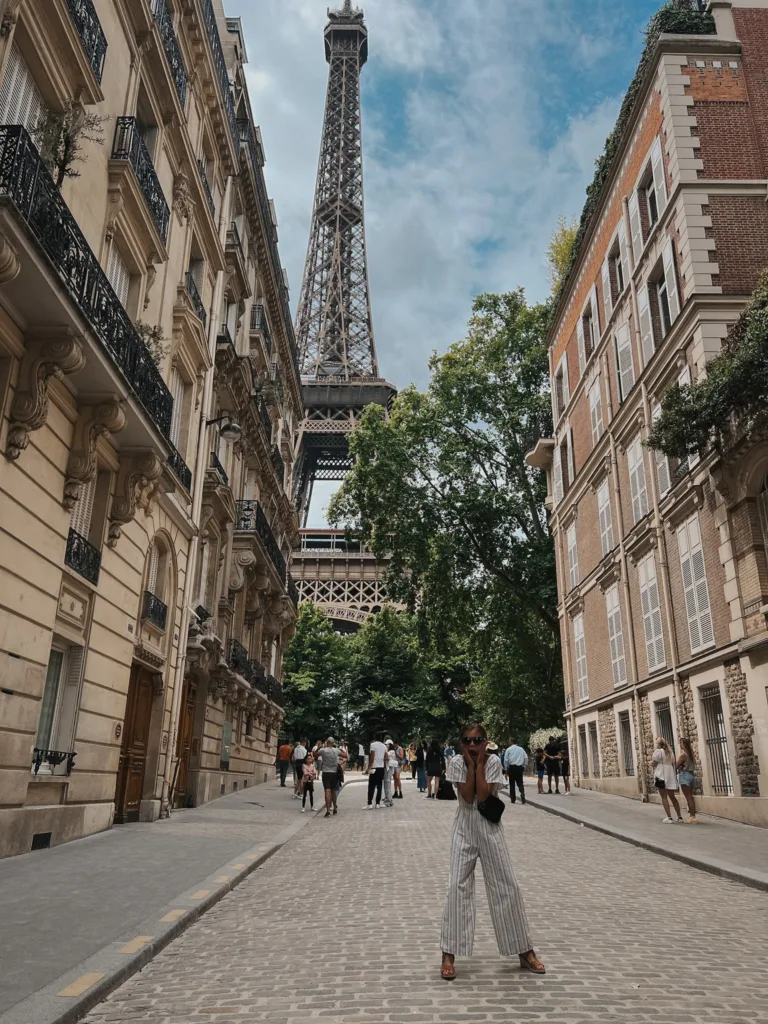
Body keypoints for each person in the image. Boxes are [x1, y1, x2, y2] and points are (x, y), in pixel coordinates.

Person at [440, 722, 545, 981]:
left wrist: (478, 766)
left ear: (486, 741)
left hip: (489, 826)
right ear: (461, 743)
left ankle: (524, 950)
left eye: (477, 740)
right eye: (467, 741)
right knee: (456, 886)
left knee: (507, 885)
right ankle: (448, 953)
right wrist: (470, 765)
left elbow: (484, 796)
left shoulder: (495, 762)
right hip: (464, 826)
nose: (473, 745)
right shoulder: (455, 762)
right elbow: (466, 797)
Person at [652, 737, 683, 823]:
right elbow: (673, 762)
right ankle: (679, 816)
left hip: (660, 775)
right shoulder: (670, 752)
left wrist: (652, 763)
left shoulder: (658, 752)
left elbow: (654, 763)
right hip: (670, 775)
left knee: (664, 797)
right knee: (672, 796)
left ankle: (669, 817)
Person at [316, 737, 342, 817]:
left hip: (326, 772)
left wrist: (320, 747)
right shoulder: (336, 750)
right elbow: (345, 755)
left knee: (327, 791)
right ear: (333, 743)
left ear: (327, 742)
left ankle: (327, 810)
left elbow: (314, 754)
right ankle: (335, 808)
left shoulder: (323, 750)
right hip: (334, 773)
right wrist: (340, 749)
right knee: (333, 791)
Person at [676, 737, 698, 823]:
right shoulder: (691, 753)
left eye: (681, 743)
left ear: (683, 744)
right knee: (691, 797)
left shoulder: (683, 755)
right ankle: (693, 815)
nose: (680, 745)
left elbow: (676, 766)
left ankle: (692, 817)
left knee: (688, 797)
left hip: (684, 775)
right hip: (691, 774)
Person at [364, 736, 388, 809]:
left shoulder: (373, 745)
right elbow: (386, 757)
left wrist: (368, 768)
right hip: (381, 768)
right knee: (379, 786)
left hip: (374, 768)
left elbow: (372, 757)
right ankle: (377, 803)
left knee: (371, 786)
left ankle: (369, 803)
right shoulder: (384, 746)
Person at [503, 738, 527, 805]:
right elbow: (526, 757)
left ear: (511, 742)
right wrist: (524, 766)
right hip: (519, 767)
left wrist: (506, 769)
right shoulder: (521, 749)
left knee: (512, 783)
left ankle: (513, 798)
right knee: (520, 782)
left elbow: (506, 760)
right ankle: (522, 793)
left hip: (512, 767)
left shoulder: (509, 749)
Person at [382, 739, 397, 807]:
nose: (385, 746)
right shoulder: (390, 751)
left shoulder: (392, 751)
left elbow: (385, 755)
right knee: (386, 785)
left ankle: (389, 800)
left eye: (387, 745)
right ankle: (388, 798)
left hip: (389, 770)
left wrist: (386, 748)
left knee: (387, 785)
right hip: (387, 769)